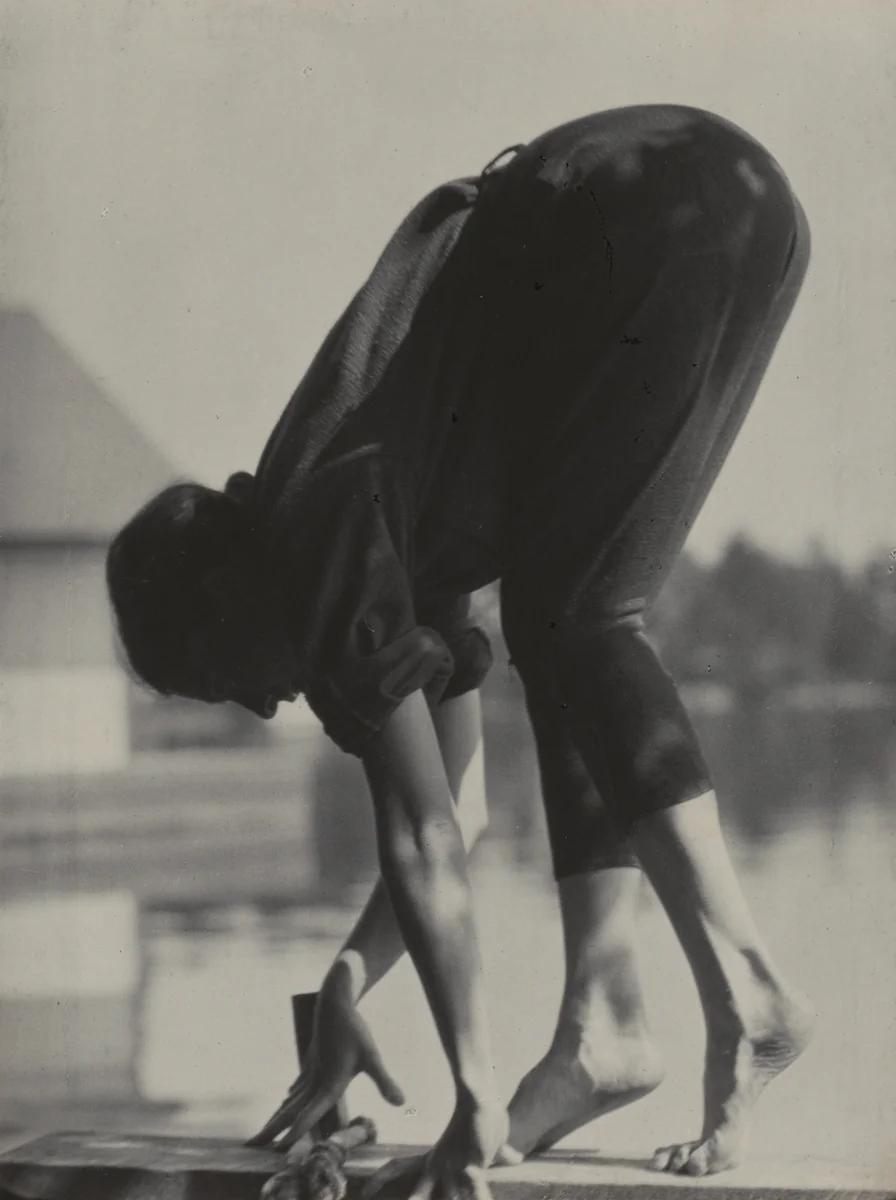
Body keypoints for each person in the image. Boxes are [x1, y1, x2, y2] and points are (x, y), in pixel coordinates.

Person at [106, 105, 815, 1196]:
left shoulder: (314, 531)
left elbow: (425, 837)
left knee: (576, 616)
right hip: (733, 202)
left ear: (222, 598)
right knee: (569, 618)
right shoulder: (384, 529)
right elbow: (465, 811)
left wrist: (473, 1100)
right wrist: (349, 976)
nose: (258, 710)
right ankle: (605, 1023)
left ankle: (742, 987)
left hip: (627, 208)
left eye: (220, 683)